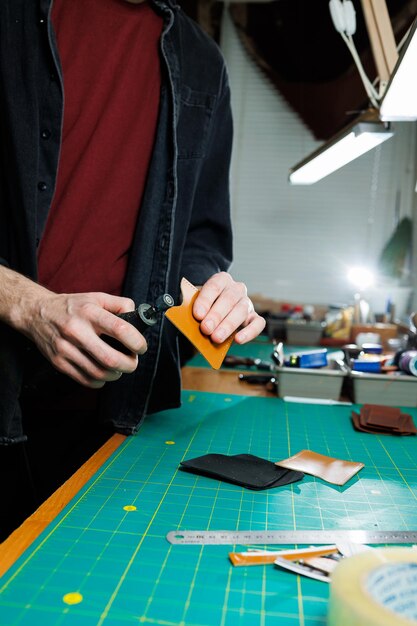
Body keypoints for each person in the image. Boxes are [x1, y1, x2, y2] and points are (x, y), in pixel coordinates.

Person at [0, 0, 265, 539]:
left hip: (101, 410)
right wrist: (27, 303)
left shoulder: (199, 62)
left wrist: (211, 296)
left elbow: (199, 240)